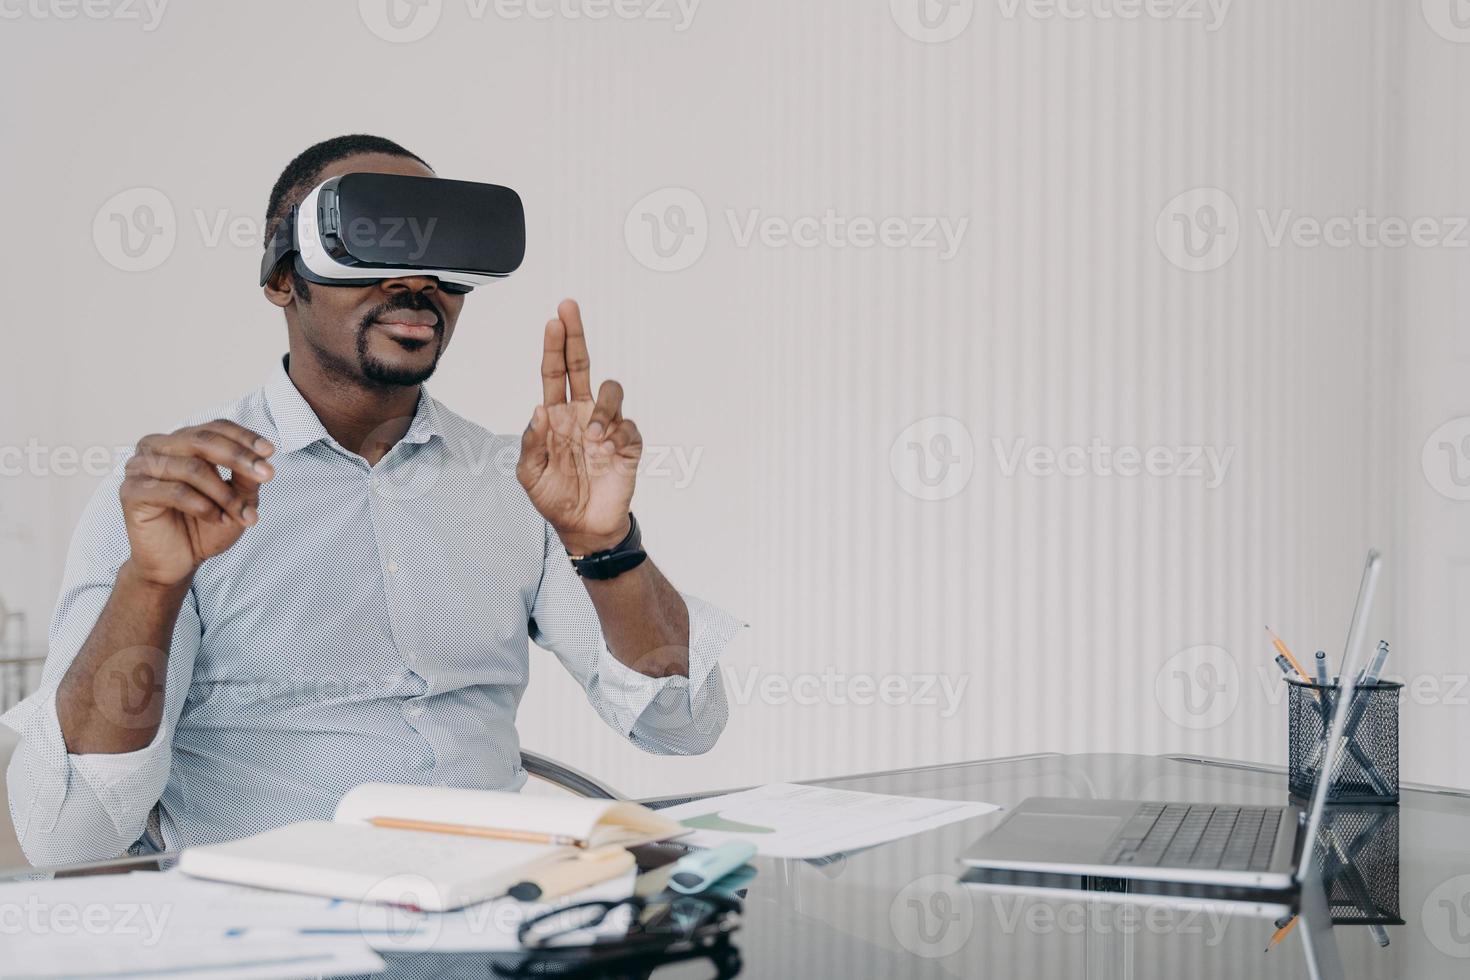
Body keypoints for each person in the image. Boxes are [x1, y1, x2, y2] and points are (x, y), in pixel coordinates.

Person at [3, 135, 740, 867]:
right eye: (375, 244)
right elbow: (68, 836)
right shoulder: (177, 500)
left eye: (438, 255)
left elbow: (683, 723)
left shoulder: (518, 482)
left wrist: (607, 544)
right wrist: (153, 582)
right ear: (283, 278)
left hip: (490, 915)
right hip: (271, 934)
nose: (414, 281)